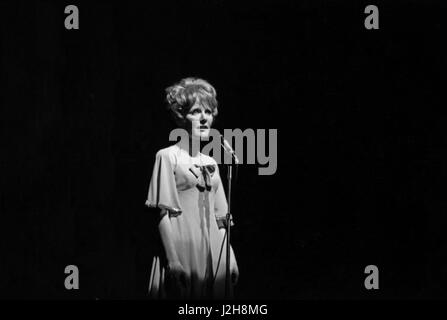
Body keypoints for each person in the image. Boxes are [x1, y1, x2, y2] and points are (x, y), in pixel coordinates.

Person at [145, 77, 239, 299]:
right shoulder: (167, 157)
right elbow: (162, 213)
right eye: (196, 111)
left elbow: (221, 220)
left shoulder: (212, 163)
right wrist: (173, 260)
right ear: (181, 116)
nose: (204, 118)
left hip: (214, 253)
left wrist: (230, 256)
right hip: (182, 249)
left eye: (208, 111)